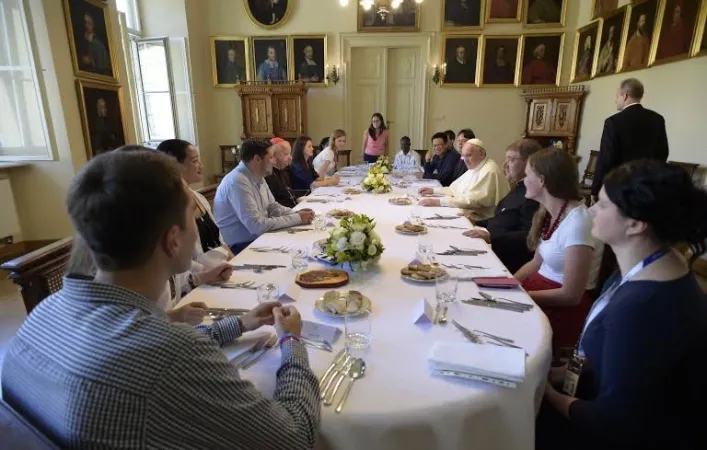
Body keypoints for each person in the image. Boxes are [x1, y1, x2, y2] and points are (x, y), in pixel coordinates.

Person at [0, 149, 320, 449]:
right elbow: (294, 438)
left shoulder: (44, 313)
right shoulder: (172, 353)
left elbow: (149, 348)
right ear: (173, 240)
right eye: (192, 217)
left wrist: (240, 324)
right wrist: (291, 341)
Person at [537, 160, 707, 450]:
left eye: (602, 205)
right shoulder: (651, 264)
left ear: (636, 223)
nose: (591, 211)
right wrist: (560, 374)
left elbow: (614, 423)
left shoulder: (645, 305)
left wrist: (546, 393)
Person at [514, 148, 603, 353]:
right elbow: (535, 263)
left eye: (527, 175)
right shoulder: (549, 213)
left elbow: (571, 295)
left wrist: (523, 295)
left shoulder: (578, 222)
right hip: (538, 292)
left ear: (542, 180)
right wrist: (509, 285)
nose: (523, 180)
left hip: (559, 308)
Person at [214, 138, 315, 254]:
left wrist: (296, 213)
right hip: (241, 247)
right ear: (257, 159)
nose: (274, 161)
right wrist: (298, 218)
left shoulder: (258, 175)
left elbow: (272, 207)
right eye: (271, 157)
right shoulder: (237, 182)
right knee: (299, 254)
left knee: (305, 245)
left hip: (258, 238)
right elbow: (257, 226)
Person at [463, 139, 542, 273]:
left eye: (511, 160)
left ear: (529, 162)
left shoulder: (532, 195)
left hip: (508, 261)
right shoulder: (518, 187)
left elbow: (530, 234)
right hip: (494, 249)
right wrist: (477, 221)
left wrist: (491, 237)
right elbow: (504, 218)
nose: (505, 165)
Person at [156, 139, 234, 267]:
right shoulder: (168, 207)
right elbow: (177, 259)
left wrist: (230, 257)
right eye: (195, 161)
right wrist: (205, 273)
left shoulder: (199, 198)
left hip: (218, 268)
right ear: (175, 165)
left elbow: (219, 239)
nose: (201, 165)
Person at [591, 78, 669, 200]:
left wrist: (596, 189)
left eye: (617, 96)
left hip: (619, 187)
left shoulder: (614, 122)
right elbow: (663, 153)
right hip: (646, 187)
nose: (615, 100)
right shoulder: (657, 119)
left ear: (625, 96)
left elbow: (606, 158)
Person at [419, 139, 509, 221]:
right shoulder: (475, 167)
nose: (465, 160)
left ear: (481, 154)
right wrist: (433, 190)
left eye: (469, 155)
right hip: (468, 213)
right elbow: (454, 189)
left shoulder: (489, 171)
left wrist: (437, 202)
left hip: (483, 220)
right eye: (463, 156)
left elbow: (472, 201)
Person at [264, 137, 297, 207]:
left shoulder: (284, 170)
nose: (290, 158)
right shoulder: (267, 175)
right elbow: (273, 205)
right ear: (274, 155)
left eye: (290, 153)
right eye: (286, 154)